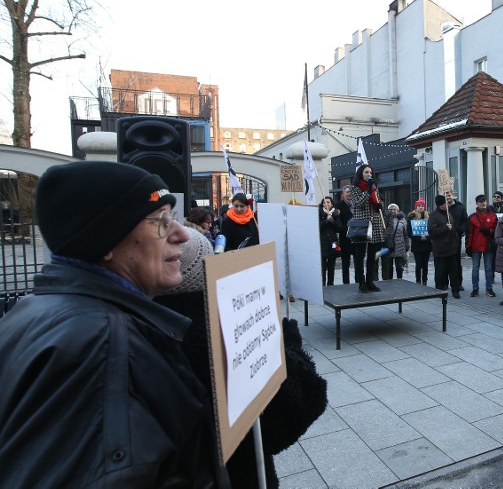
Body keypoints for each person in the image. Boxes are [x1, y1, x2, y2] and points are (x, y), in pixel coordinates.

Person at [0, 162, 220, 486]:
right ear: (105, 242)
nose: (182, 234)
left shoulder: (35, 312)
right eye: (160, 222)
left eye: (172, 218)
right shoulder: (98, 351)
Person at [155, 229, 328, 488]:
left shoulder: (144, 321)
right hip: (236, 474)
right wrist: (289, 347)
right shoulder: (215, 330)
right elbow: (298, 405)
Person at [350, 164, 386, 292]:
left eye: (371, 172)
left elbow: (375, 202)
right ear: (361, 173)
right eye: (366, 172)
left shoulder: (374, 188)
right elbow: (358, 204)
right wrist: (367, 190)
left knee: (373, 255)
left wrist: (379, 206)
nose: (369, 175)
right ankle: (361, 282)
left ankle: (370, 281)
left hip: (375, 223)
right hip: (362, 224)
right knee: (360, 255)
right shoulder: (354, 188)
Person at [428, 194, 461, 298]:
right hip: (440, 250)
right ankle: (439, 290)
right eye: (445, 203)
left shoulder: (448, 213)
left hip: (452, 249)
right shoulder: (433, 216)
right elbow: (431, 231)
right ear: (441, 205)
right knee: (440, 272)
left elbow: (453, 228)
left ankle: (455, 291)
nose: (447, 204)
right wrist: (445, 228)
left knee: (454, 272)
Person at [466, 194, 498, 297]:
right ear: (477, 203)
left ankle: (489, 288)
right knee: (475, 268)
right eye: (481, 201)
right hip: (476, 246)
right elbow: (469, 233)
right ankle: (475, 289)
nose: (483, 203)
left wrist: (489, 231)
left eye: (484, 201)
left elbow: (497, 231)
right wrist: (468, 246)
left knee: (488, 268)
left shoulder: (493, 216)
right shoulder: (472, 217)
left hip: (488, 246)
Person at [446, 191, 469, 289]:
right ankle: (445, 282)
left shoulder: (460, 207)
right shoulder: (442, 208)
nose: (448, 197)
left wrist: (460, 230)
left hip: (456, 238)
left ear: (453, 195)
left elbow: (465, 220)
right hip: (445, 238)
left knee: (456, 262)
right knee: (445, 261)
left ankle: (458, 283)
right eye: (446, 195)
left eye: (449, 195)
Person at [319, 196, 344, 286]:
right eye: (324, 202)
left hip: (333, 243)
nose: (326, 204)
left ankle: (331, 284)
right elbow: (317, 227)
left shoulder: (335, 214)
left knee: (331, 266)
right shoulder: (319, 214)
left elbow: (340, 228)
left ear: (332, 204)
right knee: (322, 267)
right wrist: (326, 221)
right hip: (322, 243)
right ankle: (322, 285)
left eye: (328, 202)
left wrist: (332, 220)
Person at [408, 199, 432, 285]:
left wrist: (427, 237)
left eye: (422, 206)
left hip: (427, 244)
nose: (421, 207)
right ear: (416, 207)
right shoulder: (411, 217)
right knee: (418, 264)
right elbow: (409, 232)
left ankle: (425, 280)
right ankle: (418, 280)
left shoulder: (429, 216)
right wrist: (419, 238)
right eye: (419, 206)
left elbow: (431, 230)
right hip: (417, 245)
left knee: (425, 264)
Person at [385, 203, 409, 279]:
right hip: (389, 246)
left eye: (394, 209)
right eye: (391, 209)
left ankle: (400, 280)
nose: (392, 211)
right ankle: (389, 281)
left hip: (399, 246)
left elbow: (405, 234)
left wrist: (407, 244)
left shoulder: (403, 220)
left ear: (397, 210)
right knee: (389, 267)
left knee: (399, 267)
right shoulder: (385, 219)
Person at [335, 185, 354, 284]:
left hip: (357, 238)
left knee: (358, 262)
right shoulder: (339, 206)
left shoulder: (357, 204)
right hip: (345, 238)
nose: (349, 193)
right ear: (343, 194)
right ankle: (346, 283)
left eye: (351, 191)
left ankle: (359, 281)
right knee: (345, 264)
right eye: (347, 192)